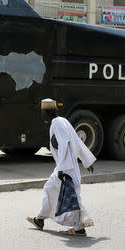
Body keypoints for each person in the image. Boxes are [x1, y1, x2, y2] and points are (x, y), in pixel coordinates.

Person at [27, 99, 95, 236]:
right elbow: (76, 140)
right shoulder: (63, 121)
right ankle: (40, 219)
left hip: (65, 168)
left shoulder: (56, 123)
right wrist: (86, 161)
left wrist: (62, 169)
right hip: (66, 166)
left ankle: (78, 228)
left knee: (71, 197)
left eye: (42, 112)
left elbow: (65, 144)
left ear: (47, 112)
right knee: (50, 189)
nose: (42, 115)